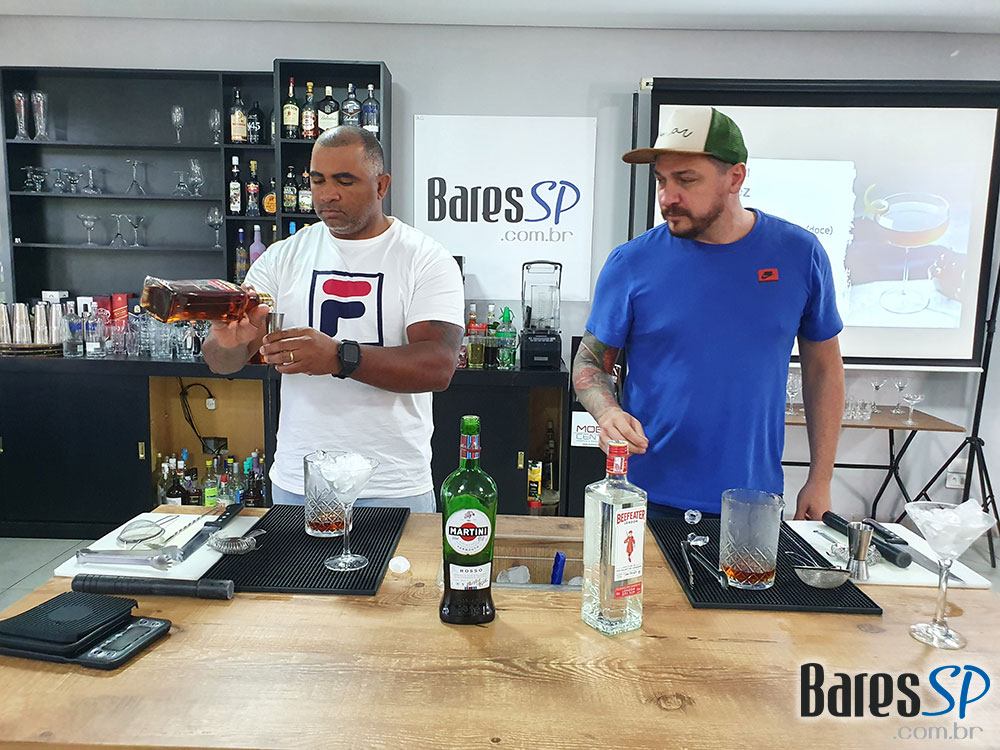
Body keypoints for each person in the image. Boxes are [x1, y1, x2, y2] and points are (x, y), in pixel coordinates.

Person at [573, 106, 844, 521]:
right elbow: (590, 362)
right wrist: (607, 412)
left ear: (735, 178)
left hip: (752, 499)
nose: (667, 197)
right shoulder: (631, 263)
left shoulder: (799, 254)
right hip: (644, 497)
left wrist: (820, 478)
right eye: (661, 180)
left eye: (686, 180)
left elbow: (824, 368)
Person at [203, 125, 465, 511]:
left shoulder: (425, 258)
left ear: (381, 185)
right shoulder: (281, 257)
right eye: (318, 180)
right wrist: (228, 343)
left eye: (345, 181)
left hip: (392, 484)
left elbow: (438, 366)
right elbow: (222, 362)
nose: (327, 194)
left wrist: (339, 357)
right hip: (299, 482)